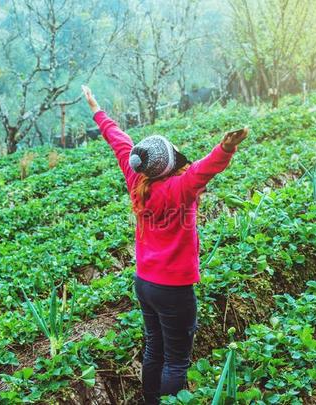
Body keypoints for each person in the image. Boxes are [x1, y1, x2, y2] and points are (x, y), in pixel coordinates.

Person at [82, 85, 248, 404]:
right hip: (174, 289)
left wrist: (96, 109)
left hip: (145, 283)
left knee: (153, 349)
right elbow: (203, 170)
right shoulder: (179, 189)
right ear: (169, 165)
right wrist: (225, 148)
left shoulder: (137, 182)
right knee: (176, 360)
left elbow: (119, 142)